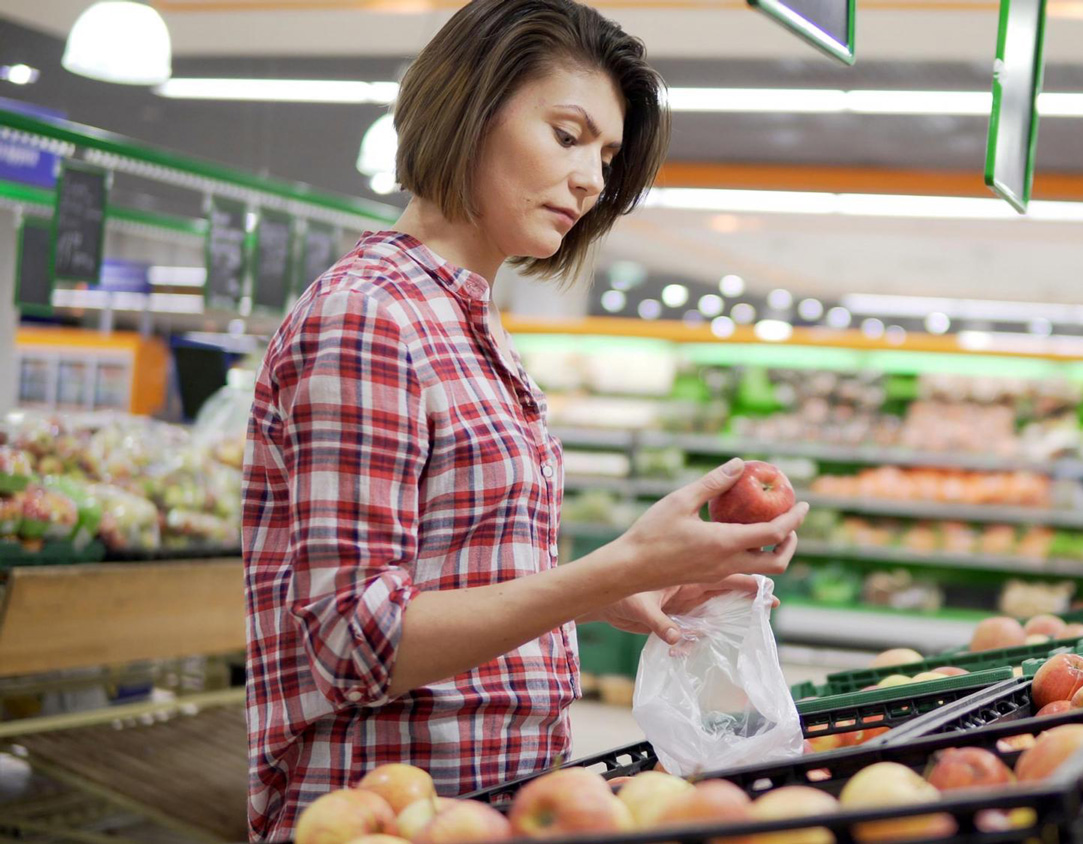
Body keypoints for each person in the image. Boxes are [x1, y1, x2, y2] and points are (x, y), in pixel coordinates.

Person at [240, 1, 808, 838]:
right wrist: (608, 571)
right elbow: (355, 643)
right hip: (388, 810)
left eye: (607, 156)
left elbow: (452, 581)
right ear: (470, 105)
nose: (592, 180)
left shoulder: (470, 322)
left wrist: (635, 587)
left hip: (492, 800)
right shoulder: (370, 318)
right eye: (568, 135)